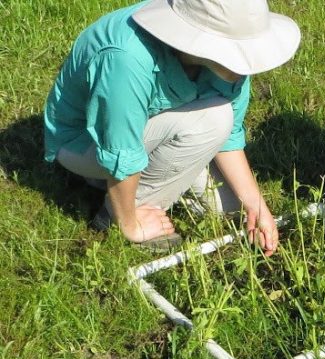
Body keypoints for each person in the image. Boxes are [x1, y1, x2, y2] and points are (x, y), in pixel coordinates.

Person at [44, 0, 301, 254]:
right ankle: (117, 214)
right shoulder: (126, 58)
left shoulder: (228, 64)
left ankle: (157, 179)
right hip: (86, 145)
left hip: (162, 131)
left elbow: (230, 136)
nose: (246, 63)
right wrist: (130, 224)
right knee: (214, 118)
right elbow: (121, 151)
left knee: (230, 208)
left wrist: (256, 206)